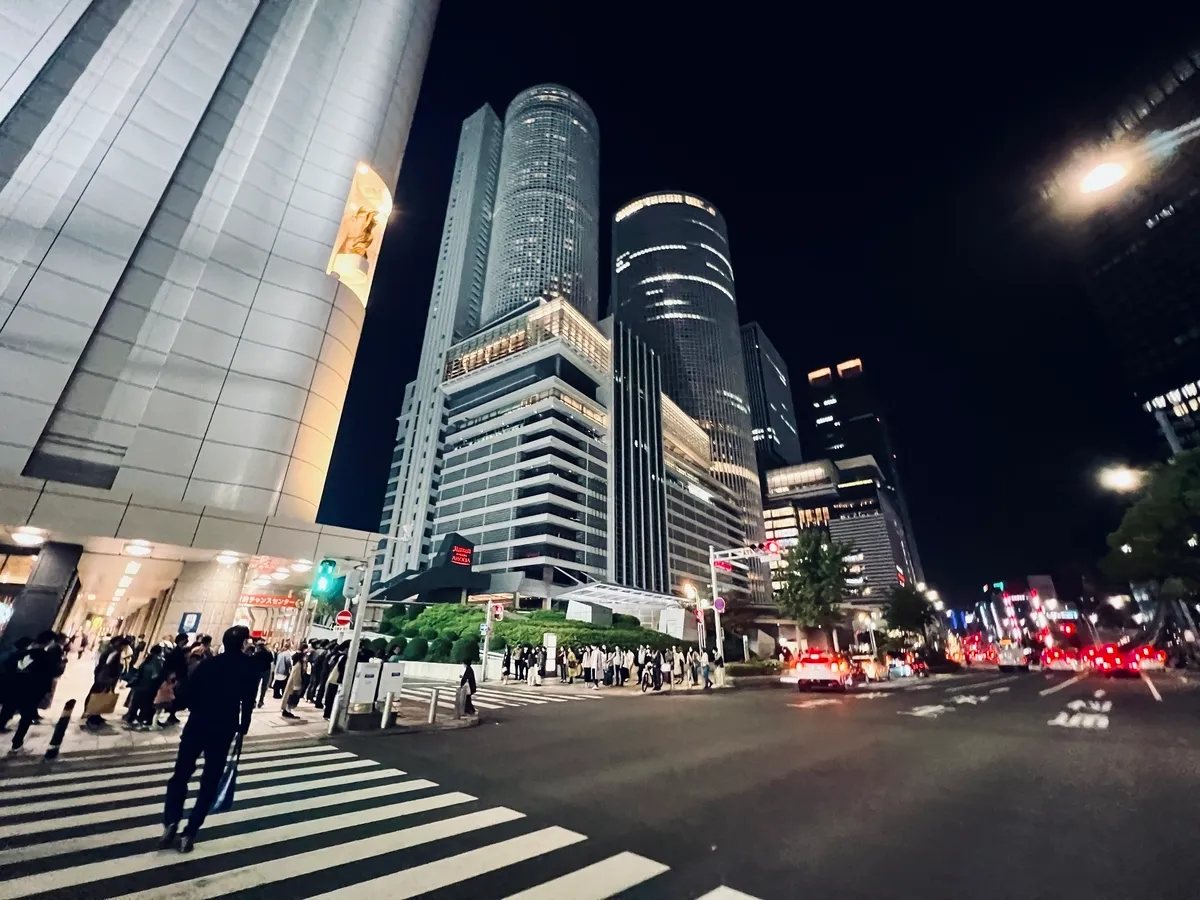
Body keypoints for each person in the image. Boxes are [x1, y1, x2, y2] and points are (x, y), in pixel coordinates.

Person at [160, 625, 256, 853]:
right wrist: (243, 727)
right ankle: (190, 832)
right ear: (243, 643)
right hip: (223, 728)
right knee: (210, 781)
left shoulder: (208, 663)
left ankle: (171, 821)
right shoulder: (248, 668)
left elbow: (188, 693)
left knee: (181, 774)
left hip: (197, 723)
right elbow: (248, 702)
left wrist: (174, 705)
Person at [0, 631, 59, 753]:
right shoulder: (46, 657)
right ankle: (16, 743)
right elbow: (52, 674)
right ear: (50, 642)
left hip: (14, 689)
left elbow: (8, 666)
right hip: (31, 692)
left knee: (6, 712)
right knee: (26, 718)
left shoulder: (23, 653)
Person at [124, 644, 165, 729]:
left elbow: (139, 671)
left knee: (135, 704)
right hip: (149, 687)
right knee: (145, 705)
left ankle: (130, 718)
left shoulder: (147, 659)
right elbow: (155, 675)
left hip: (140, 685)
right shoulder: (158, 661)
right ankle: (140, 720)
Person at [161, 633, 191, 726]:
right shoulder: (177, 652)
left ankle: (172, 715)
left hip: (177, 677)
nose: (188, 641)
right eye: (186, 639)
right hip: (176, 678)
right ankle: (170, 715)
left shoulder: (179, 651)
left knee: (175, 698)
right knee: (172, 697)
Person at [280, 649, 304, 720]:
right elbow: (297, 675)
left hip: (292, 683)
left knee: (289, 697)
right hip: (294, 684)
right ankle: (287, 711)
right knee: (291, 698)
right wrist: (297, 685)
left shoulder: (296, 663)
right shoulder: (299, 664)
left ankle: (287, 710)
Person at [251, 640, 273, 708]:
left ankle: (254, 701)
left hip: (258, 671)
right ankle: (261, 701)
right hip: (266, 671)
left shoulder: (257, 653)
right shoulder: (269, 652)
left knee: (256, 687)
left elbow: (253, 662)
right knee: (264, 687)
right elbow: (271, 661)